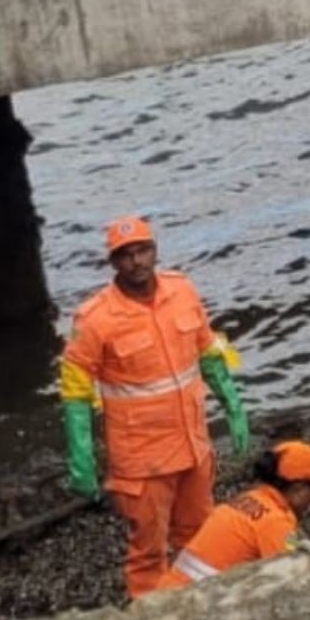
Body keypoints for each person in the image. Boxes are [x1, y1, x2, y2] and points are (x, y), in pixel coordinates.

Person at [60, 215, 251, 598]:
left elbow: (207, 349)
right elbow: (75, 390)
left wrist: (232, 404)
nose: (136, 261)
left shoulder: (182, 291)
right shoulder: (96, 319)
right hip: (142, 460)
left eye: (142, 250)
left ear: (155, 250)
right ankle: (152, 619)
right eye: (125, 255)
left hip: (192, 445)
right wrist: (81, 456)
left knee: (199, 536)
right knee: (148, 552)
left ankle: (201, 602)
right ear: (113, 262)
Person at [157, 440, 310, 589]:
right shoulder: (276, 522)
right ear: (299, 490)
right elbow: (289, 578)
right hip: (192, 603)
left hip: (169, 589)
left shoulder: (248, 498)